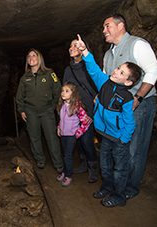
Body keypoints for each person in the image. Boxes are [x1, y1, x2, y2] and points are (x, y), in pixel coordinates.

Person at [76, 34, 142, 207]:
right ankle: (107, 188)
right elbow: (93, 70)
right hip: (105, 135)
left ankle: (119, 196)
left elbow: (129, 122)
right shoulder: (104, 83)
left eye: (121, 72)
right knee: (105, 165)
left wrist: (124, 139)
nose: (116, 71)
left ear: (128, 82)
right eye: (118, 68)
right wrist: (84, 51)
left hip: (119, 138)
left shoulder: (127, 98)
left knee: (120, 169)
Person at [102, 14, 157, 199]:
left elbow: (154, 70)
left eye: (107, 26)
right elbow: (107, 81)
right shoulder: (108, 53)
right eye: (103, 28)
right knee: (120, 149)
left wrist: (137, 98)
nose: (104, 31)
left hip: (141, 104)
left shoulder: (137, 44)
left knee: (135, 149)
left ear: (121, 26)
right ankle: (119, 186)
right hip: (119, 109)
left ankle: (129, 189)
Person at [16, 48, 64, 173]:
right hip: (31, 112)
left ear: (39, 58)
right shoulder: (24, 78)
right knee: (34, 137)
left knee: (52, 137)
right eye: (29, 56)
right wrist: (21, 110)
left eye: (34, 55)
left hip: (46, 111)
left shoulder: (49, 74)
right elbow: (19, 96)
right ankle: (40, 160)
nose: (31, 58)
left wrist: (52, 106)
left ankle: (58, 163)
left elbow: (58, 90)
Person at [62, 38, 99, 183]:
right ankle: (84, 164)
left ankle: (93, 168)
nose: (72, 47)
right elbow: (66, 91)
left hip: (87, 111)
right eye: (70, 45)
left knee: (87, 141)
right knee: (78, 140)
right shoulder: (67, 70)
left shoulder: (89, 67)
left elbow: (96, 91)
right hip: (73, 113)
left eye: (75, 45)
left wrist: (91, 113)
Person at [56, 82, 90, 186]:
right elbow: (62, 119)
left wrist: (78, 133)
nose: (63, 93)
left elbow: (86, 122)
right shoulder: (62, 105)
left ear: (73, 93)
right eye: (62, 90)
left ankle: (68, 176)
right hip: (63, 134)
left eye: (67, 91)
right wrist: (58, 127)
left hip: (71, 135)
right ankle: (65, 172)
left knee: (67, 156)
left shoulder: (77, 107)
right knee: (65, 154)